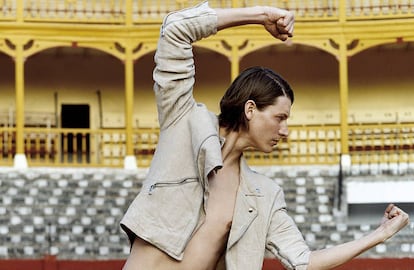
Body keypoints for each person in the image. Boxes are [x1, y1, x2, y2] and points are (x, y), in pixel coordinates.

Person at [120, 2, 410, 270]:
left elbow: (303, 262)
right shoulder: (183, 121)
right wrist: (259, 15)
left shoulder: (264, 195)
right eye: (280, 117)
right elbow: (175, 30)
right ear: (250, 109)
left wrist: (379, 235)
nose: (285, 131)